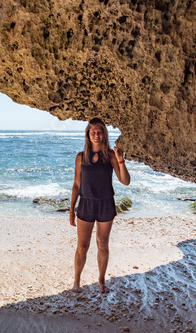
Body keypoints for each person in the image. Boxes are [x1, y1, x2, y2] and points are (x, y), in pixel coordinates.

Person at [69, 117, 130, 293]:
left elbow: (125, 181)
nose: (96, 135)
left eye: (99, 131)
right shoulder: (81, 157)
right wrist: (72, 209)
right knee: (82, 247)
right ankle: (77, 281)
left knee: (102, 244)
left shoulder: (110, 155)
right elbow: (76, 185)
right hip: (85, 204)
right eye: (93, 132)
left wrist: (120, 160)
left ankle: (101, 281)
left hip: (105, 204)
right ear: (88, 134)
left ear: (104, 134)